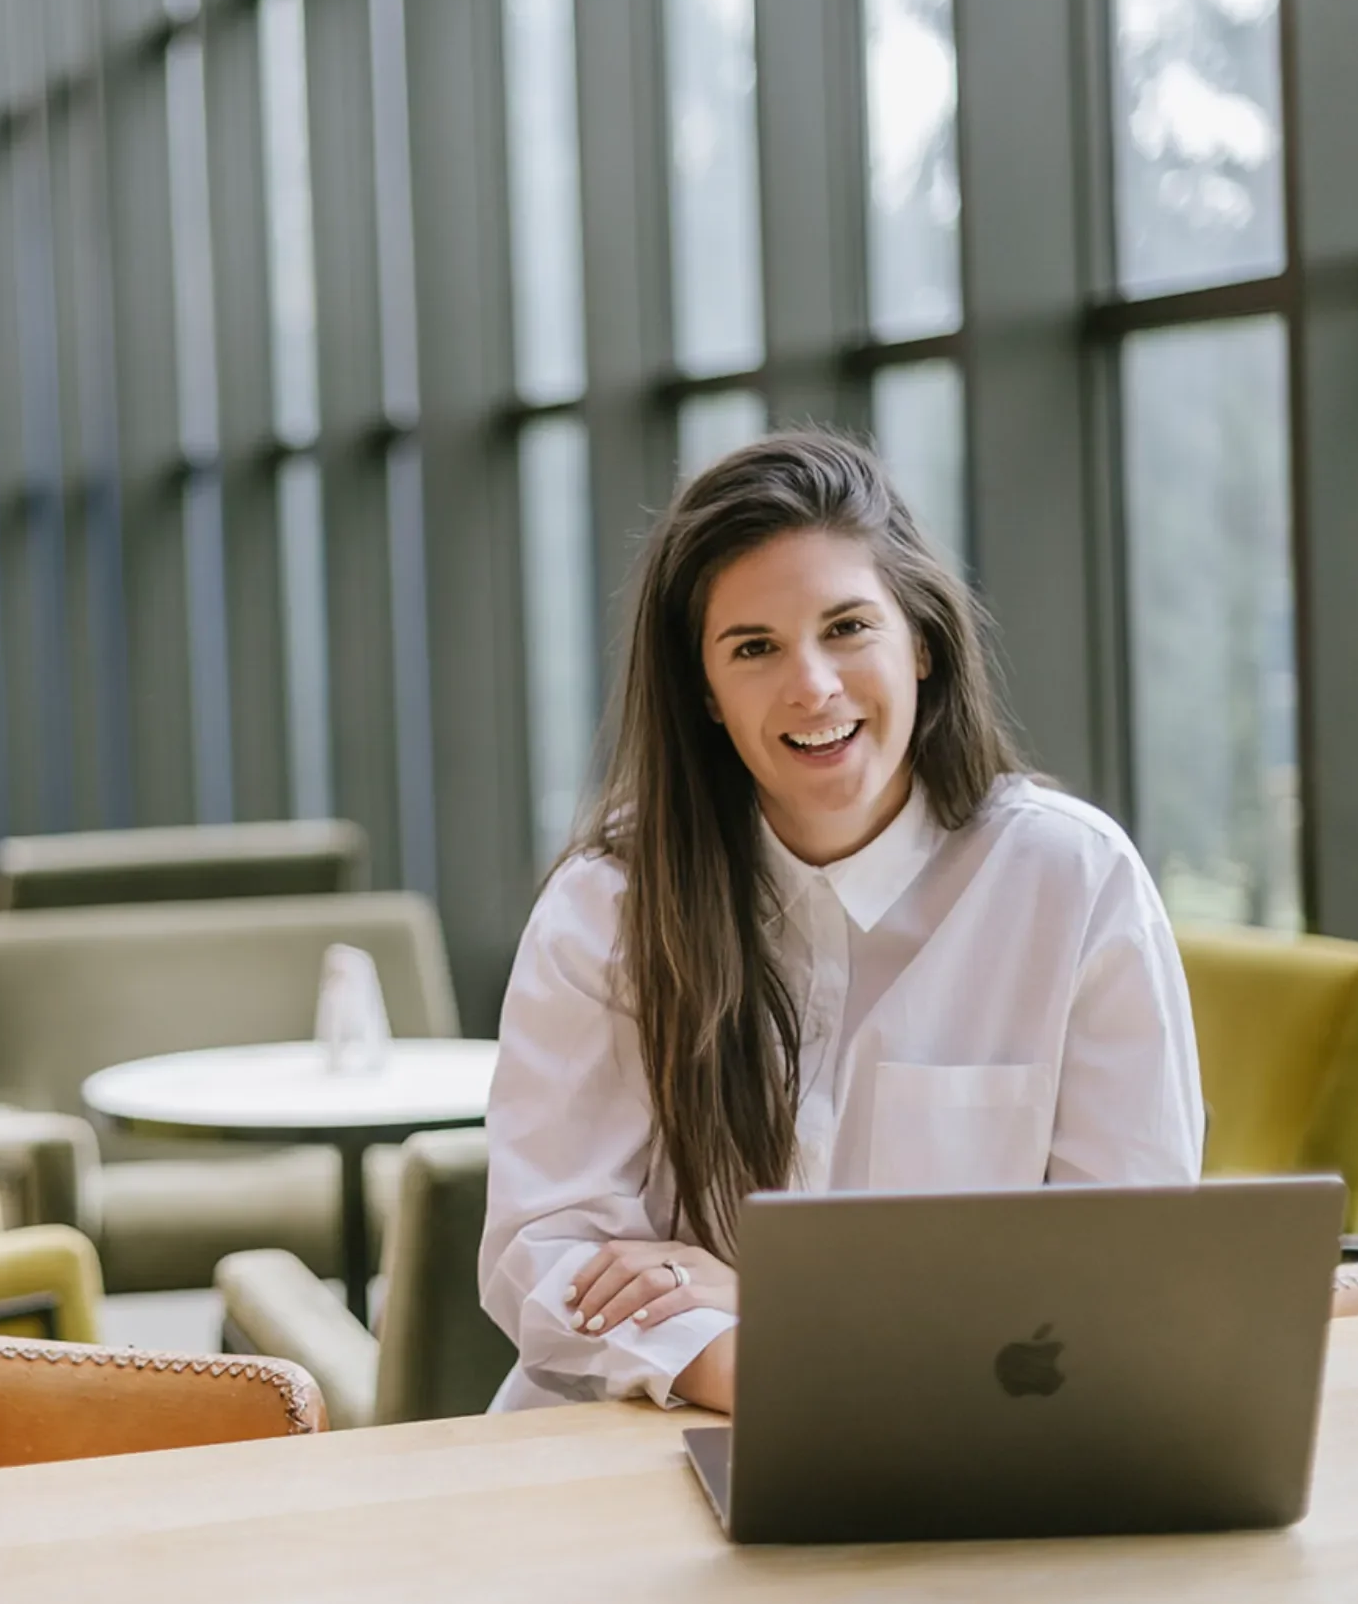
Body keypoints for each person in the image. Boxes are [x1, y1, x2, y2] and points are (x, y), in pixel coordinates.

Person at [478, 432, 1204, 1414]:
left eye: (848, 626)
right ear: (705, 693)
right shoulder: (610, 900)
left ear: (922, 641)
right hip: (635, 1431)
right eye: (753, 647)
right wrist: (781, 1373)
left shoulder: (1070, 879)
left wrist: (786, 1311)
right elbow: (550, 1255)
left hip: (965, 1427)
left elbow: (1125, 1267)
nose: (811, 685)